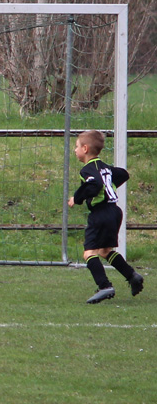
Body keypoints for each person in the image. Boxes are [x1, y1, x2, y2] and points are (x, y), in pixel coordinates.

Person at [68, 130, 143, 304]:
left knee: (89, 253)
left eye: (77, 146)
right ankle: (132, 276)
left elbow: (93, 185)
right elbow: (123, 174)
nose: (75, 150)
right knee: (105, 251)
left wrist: (76, 199)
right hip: (114, 211)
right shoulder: (105, 168)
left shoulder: (87, 170)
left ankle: (104, 286)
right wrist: (109, 185)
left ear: (85, 149)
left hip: (100, 214)